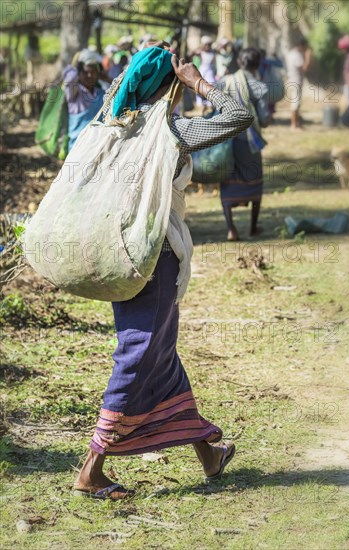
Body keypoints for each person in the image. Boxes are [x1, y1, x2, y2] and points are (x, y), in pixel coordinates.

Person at [73, 44, 254, 500]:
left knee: (161, 354)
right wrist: (199, 82)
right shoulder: (169, 132)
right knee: (139, 352)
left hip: (119, 254)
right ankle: (91, 468)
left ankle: (208, 454)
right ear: (169, 86)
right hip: (156, 257)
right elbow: (237, 116)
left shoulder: (108, 124)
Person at [219, 48, 271, 241]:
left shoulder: (226, 81)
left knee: (226, 180)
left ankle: (231, 229)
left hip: (227, 141)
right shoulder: (260, 87)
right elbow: (264, 119)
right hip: (250, 142)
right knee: (254, 181)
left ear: (240, 63)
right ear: (257, 64)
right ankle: (253, 227)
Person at [63, 49, 105, 152]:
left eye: (93, 72)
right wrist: (76, 65)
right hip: (76, 148)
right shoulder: (74, 93)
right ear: (79, 73)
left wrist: (106, 77)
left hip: (97, 148)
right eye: (85, 72)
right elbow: (69, 80)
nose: (89, 76)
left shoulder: (101, 94)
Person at [286, 38, 312, 131]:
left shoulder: (291, 53)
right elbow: (305, 67)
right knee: (295, 103)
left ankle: (297, 124)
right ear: (301, 46)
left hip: (293, 80)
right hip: (295, 81)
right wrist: (308, 56)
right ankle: (293, 125)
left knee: (296, 103)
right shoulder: (296, 55)